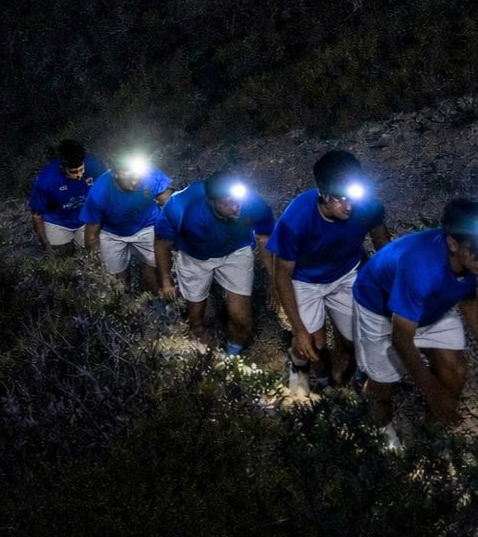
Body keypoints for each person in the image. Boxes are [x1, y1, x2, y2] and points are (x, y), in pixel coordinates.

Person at [352, 197, 478, 449]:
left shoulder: (465, 259)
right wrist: (432, 392)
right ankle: (381, 435)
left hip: (429, 304)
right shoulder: (421, 267)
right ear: (452, 243)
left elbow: (468, 298)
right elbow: (401, 339)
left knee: (455, 371)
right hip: (379, 308)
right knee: (382, 386)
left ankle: (426, 442)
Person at [267, 150, 392, 396]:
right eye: (340, 198)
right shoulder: (296, 219)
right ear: (323, 194)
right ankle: (298, 365)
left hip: (346, 273)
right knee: (310, 343)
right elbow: (282, 274)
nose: (349, 205)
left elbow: (384, 247)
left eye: (353, 196)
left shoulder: (367, 207)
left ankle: (344, 378)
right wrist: (299, 329)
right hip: (305, 280)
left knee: (355, 337)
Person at [155, 170, 275, 356]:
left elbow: (265, 238)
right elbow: (162, 242)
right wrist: (166, 280)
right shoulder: (182, 206)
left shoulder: (253, 203)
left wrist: (273, 278)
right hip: (195, 257)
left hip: (235, 251)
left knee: (242, 319)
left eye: (238, 200)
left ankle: (231, 355)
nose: (237, 207)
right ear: (211, 202)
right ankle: (201, 340)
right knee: (195, 318)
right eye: (227, 202)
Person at [81, 153, 172, 292]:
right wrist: (98, 262)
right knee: (118, 278)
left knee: (155, 266)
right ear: (116, 174)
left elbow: (170, 204)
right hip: (112, 233)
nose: (135, 183)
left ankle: (152, 297)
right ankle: (126, 301)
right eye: (129, 179)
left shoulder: (150, 175)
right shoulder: (99, 192)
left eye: (137, 178)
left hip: (147, 225)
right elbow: (91, 234)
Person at [28, 139, 108, 257]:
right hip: (57, 221)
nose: (79, 175)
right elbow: (36, 215)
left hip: (85, 218)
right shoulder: (46, 179)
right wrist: (46, 245)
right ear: (62, 167)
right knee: (62, 256)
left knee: (94, 253)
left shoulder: (95, 166)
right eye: (73, 172)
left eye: (81, 170)